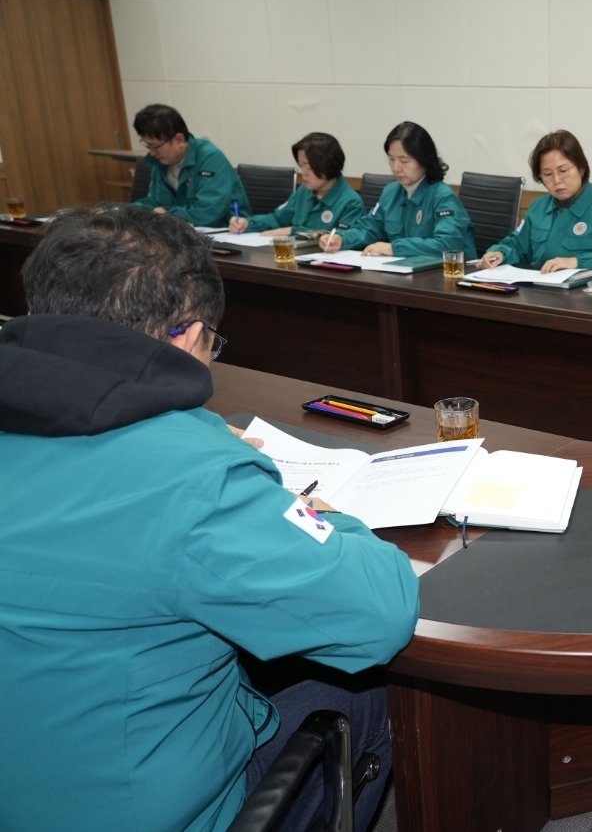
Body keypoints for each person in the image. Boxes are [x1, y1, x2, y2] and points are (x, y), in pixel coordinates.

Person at [0, 207, 420, 831]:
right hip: (143, 812)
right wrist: (302, 502)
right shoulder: (193, 475)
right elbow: (380, 610)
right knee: (361, 692)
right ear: (186, 336)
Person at [479, 129, 592, 276]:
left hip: (584, 301)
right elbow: (518, 246)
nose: (556, 181)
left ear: (581, 169)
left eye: (563, 171)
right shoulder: (538, 208)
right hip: (538, 294)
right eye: (547, 174)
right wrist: (500, 253)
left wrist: (578, 262)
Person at [319, 121, 476, 259]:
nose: (396, 168)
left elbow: (448, 244)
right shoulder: (391, 192)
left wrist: (395, 248)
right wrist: (341, 239)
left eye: (404, 161)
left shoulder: (442, 197)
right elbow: (369, 228)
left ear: (424, 160)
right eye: (391, 159)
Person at [133, 103, 250, 228]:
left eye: (155, 146)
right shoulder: (160, 161)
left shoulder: (210, 157)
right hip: (178, 229)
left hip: (224, 231)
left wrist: (166, 215)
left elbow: (207, 213)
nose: (152, 152)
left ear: (179, 140)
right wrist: (131, 212)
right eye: (148, 146)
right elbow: (154, 202)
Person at [228, 131, 365, 236]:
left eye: (309, 167)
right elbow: (277, 219)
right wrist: (248, 223)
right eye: (301, 166)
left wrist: (292, 231)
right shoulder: (304, 191)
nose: (303, 173)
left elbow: (340, 239)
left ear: (328, 165)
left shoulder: (351, 202)